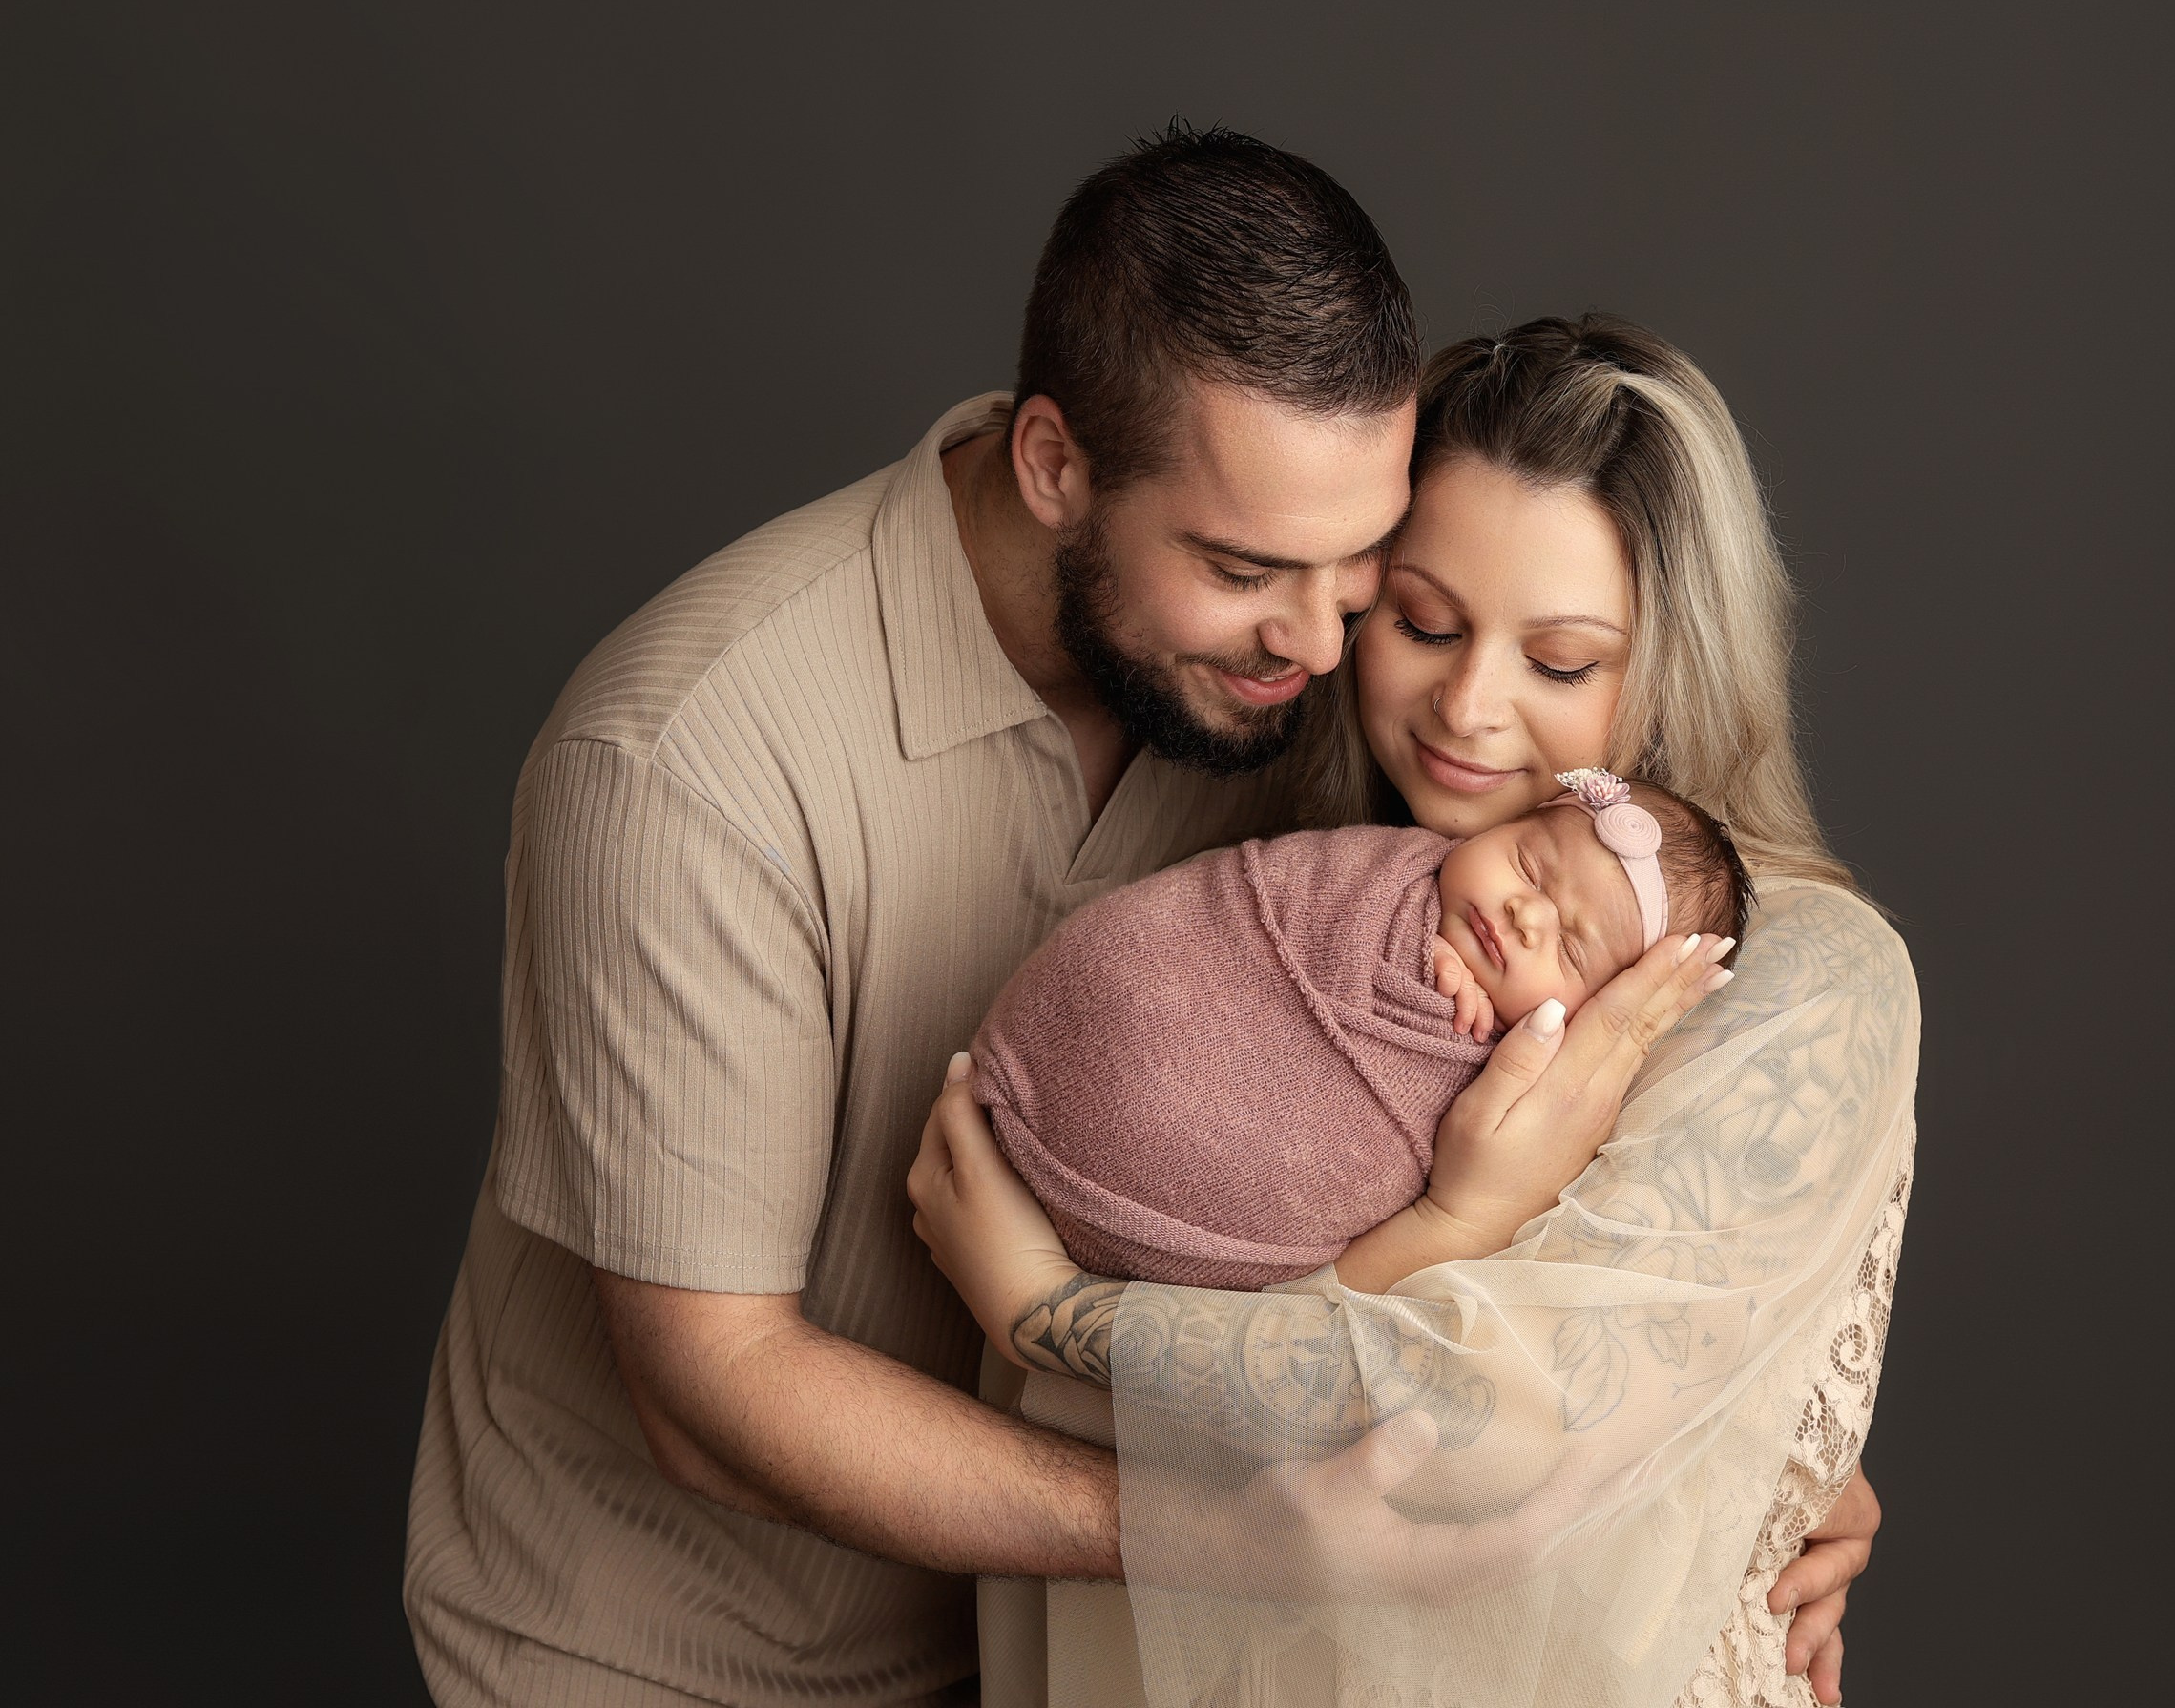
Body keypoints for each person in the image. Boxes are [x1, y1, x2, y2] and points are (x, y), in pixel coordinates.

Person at [404, 131, 1874, 1708]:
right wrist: (1233, 1535)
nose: (1330, 639)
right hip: (686, 1662)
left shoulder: (1328, 716)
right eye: (1251, 568)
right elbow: (716, 1392)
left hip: (1068, 1658)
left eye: (1366, 570)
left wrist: (1735, 1465)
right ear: (1054, 467)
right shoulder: (691, 765)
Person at [911, 316, 1916, 1708]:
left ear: (1673, 665)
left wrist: (1042, 1306)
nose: (1468, 706)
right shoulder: (1265, 895)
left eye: (1561, 662)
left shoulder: (1793, 980)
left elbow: (1450, 1444)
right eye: (1424, 622)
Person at [969, 773, 1745, 1290]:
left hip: (1137, 1253)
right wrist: (1405, 940)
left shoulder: (1538, 1089)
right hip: (1076, 1036)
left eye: (1571, 948)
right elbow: (1266, 905)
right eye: (1529, 865)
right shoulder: (1386, 868)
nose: (1523, 913)